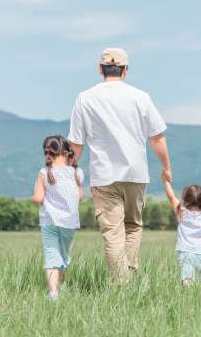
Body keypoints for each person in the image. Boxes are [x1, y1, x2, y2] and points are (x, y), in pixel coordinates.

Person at [68, 48, 171, 281]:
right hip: (136, 174)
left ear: (100, 69)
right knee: (133, 227)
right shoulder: (140, 97)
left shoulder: (85, 98)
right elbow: (157, 138)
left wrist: (70, 173)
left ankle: (121, 285)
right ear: (125, 70)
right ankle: (129, 279)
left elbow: (75, 143)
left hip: (104, 175)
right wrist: (166, 167)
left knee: (113, 234)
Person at [31, 135, 84, 301]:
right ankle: (60, 286)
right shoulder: (77, 173)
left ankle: (53, 293)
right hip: (69, 223)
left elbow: (38, 198)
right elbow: (80, 197)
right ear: (66, 152)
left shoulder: (44, 173)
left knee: (52, 257)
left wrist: (31, 198)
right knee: (64, 256)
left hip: (49, 222)